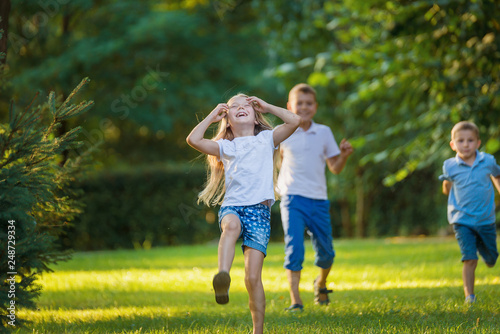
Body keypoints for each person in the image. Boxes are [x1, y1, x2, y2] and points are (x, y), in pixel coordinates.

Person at [186, 93, 300, 334]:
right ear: (227, 120)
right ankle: (223, 276)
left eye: (245, 105)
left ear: (256, 116)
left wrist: (268, 106)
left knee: (252, 279)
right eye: (232, 107)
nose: (239, 108)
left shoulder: (268, 139)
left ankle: (257, 331)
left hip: (259, 212)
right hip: (233, 207)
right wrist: (211, 117)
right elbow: (193, 139)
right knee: (231, 227)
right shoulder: (226, 147)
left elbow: (294, 121)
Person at [276, 83, 353, 311]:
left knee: (327, 253)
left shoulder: (324, 132)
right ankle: (295, 300)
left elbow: (335, 168)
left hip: (318, 200)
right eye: (299, 103)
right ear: (289, 106)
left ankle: (320, 283)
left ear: (315, 107)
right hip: (292, 199)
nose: (304, 107)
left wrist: (345, 156)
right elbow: (275, 160)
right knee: (295, 249)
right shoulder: (284, 132)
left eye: (308, 103)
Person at [439, 121, 500, 304]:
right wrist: (447, 188)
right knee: (469, 258)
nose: (466, 145)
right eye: (461, 141)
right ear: (453, 144)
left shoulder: (487, 161)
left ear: (478, 143)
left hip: (485, 218)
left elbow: (497, 175)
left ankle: (485, 251)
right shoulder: (450, 166)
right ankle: (469, 297)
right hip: (461, 219)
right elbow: (447, 185)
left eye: (470, 140)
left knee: (491, 258)